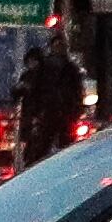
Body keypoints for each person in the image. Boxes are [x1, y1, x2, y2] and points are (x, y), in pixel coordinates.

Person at [14, 34, 88, 166]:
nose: (59, 49)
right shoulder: (46, 68)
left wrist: (75, 109)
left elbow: (77, 91)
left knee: (61, 146)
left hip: (62, 114)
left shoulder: (69, 69)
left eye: (61, 46)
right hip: (48, 113)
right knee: (43, 146)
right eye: (56, 46)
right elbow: (34, 90)